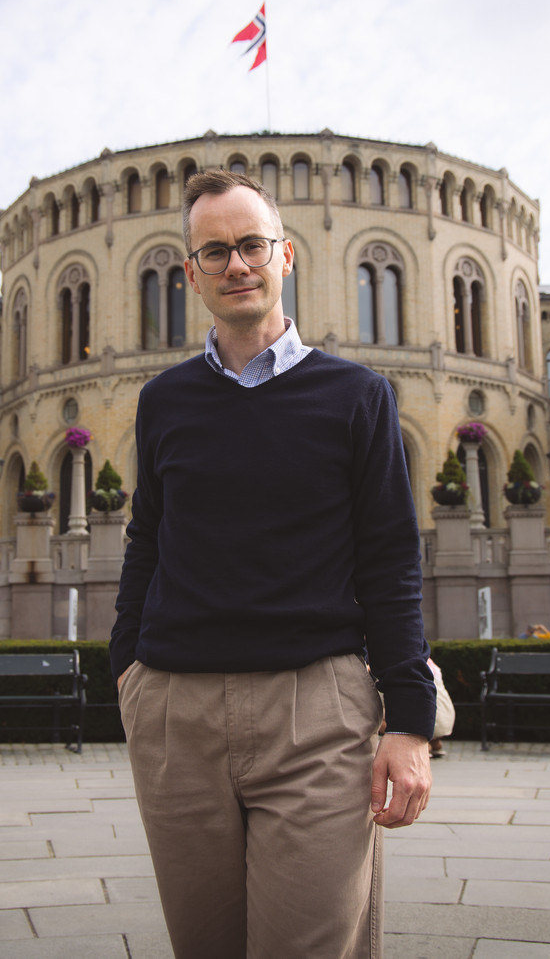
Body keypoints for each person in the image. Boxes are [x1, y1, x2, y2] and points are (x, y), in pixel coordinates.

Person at [113, 169, 435, 958]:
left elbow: (390, 558)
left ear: (284, 256)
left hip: (316, 714)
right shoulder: (165, 402)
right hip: (176, 715)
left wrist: (411, 722)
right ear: (191, 273)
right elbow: (146, 540)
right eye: (214, 251)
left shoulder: (357, 395)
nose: (236, 264)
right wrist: (127, 670)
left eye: (251, 244)